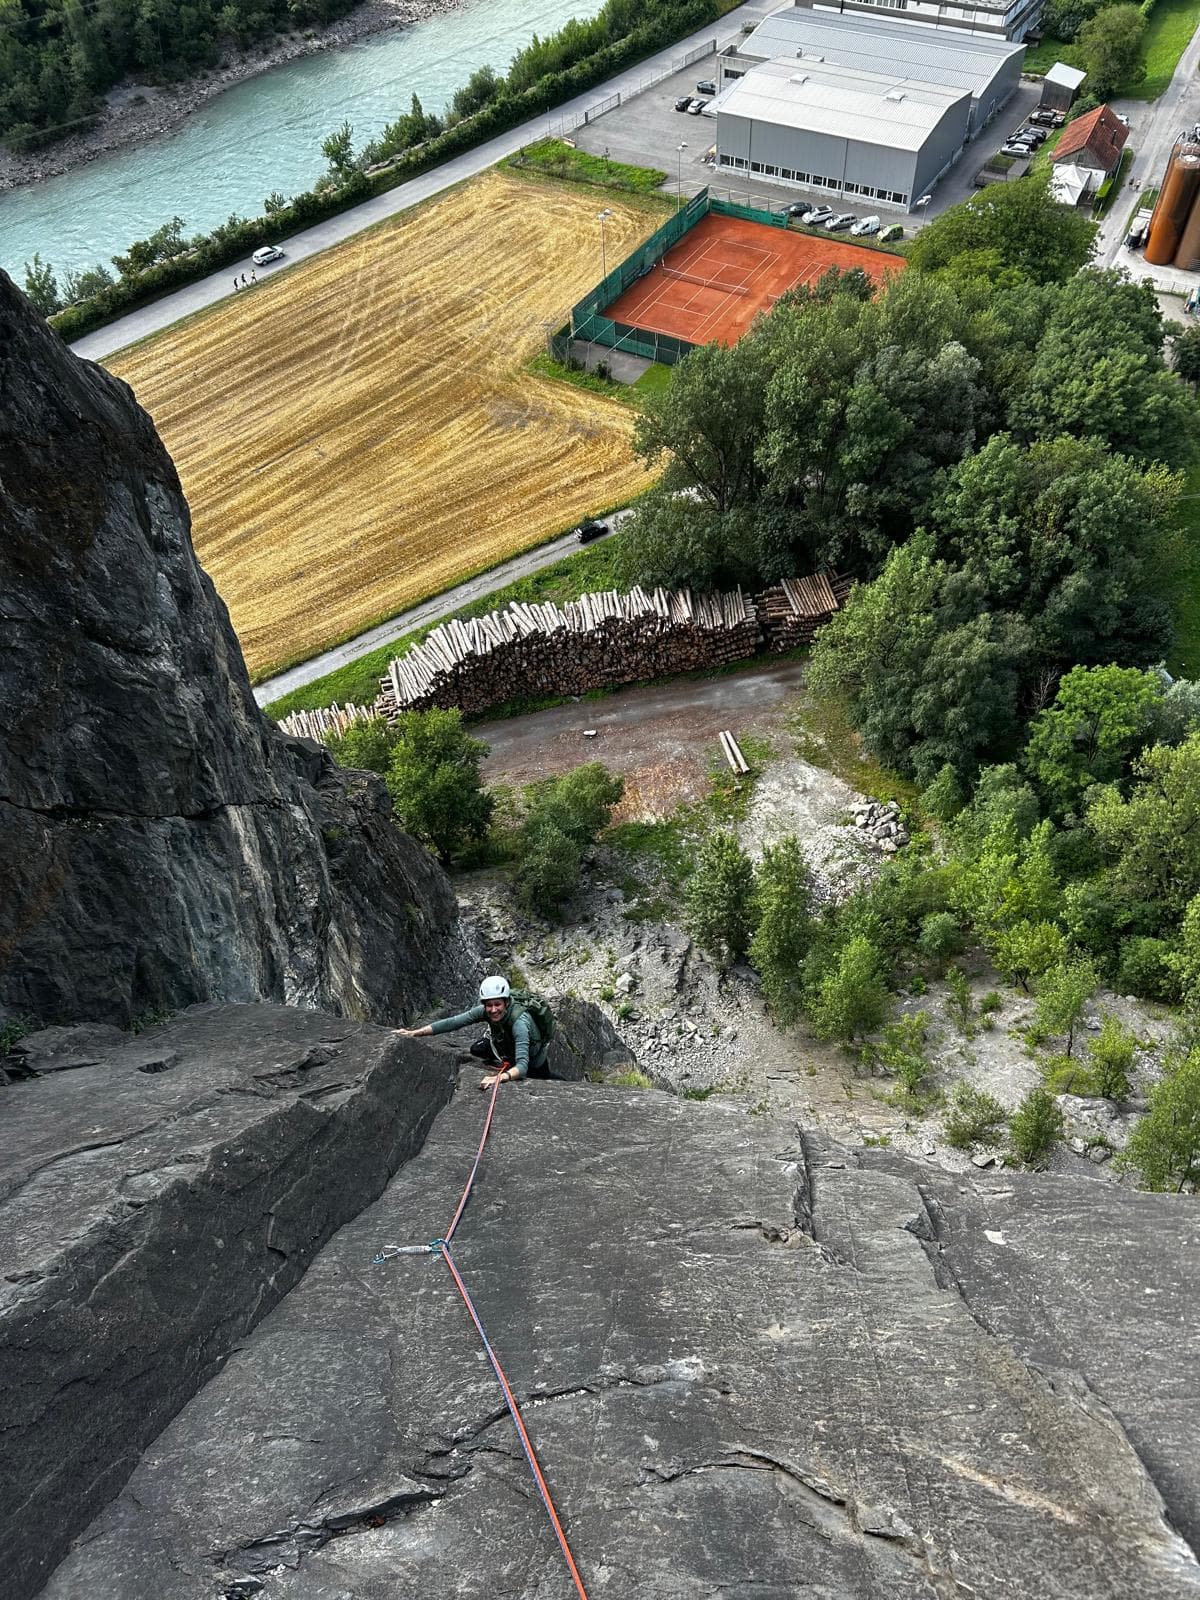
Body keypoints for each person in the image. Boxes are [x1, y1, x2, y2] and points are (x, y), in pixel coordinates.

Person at [397, 976, 549, 1090]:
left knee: (541, 1077)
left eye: (498, 1004)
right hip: (505, 1045)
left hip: (533, 1058)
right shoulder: (485, 1011)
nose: (493, 1010)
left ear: (506, 1002)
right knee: (476, 1050)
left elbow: (522, 1067)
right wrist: (415, 1033)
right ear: (484, 1004)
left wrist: (498, 1078)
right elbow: (454, 1022)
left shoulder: (520, 1023)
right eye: (489, 1005)